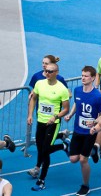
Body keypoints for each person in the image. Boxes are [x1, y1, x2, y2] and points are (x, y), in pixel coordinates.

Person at [26, 60, 70, 191]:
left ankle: (41, 180)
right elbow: (34, 98)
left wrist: (55, 117)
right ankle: (63, 145)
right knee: (42, 150)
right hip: (40, 121)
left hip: (53, 123)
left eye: (50, 71)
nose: (46, 73)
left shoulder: (62, 89)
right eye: (46, 71)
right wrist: (30, 115)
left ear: (56, 73)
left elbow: (66, 109)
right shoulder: (39, 84)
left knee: (45, 150)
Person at [63, 66, 101, 196]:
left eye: (86, 76)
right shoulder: (77, 90)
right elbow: (77, 103)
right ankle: (91, 149)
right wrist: (70, 114)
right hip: (77, 130)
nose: (83, 78)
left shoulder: (98, 96)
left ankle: (85, 186)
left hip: (90, 132)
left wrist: (94, 122)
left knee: (83, 160)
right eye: (82, 75)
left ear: (93, 78)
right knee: (73, 159)